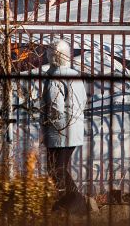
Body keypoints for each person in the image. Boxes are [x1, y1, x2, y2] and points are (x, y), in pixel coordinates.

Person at [41, 39, 88, 210]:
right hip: (75, 129)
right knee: (59, 168)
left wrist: (47, 124)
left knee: (55, 169)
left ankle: (76, 203)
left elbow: (55, 107)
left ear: (50, 56)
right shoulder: (75, 75)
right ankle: (70, 203)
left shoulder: (54, 77)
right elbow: (83, 100)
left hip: (59, 131)